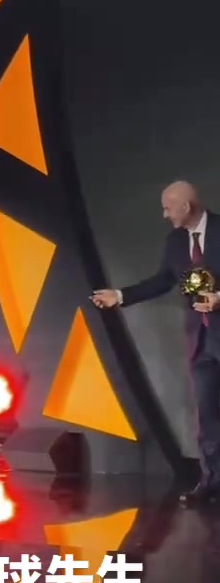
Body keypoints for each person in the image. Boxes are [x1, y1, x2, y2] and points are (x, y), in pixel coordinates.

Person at [92, 181, 220, 506]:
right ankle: (212, 482)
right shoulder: (176, 241)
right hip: (201, 342)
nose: (165, 215)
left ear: (186, 207)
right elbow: (164, 280)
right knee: (207, 416)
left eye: (168, 208)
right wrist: (120, 296)